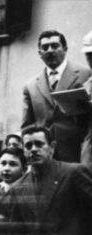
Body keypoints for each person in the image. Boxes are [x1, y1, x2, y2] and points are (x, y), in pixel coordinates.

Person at [22, 30, 92, 163]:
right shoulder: (30, 85)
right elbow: (27, 125)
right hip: (45, 155)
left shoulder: (86, 74)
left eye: (55, 46)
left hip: (77, 152)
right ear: (39, 53)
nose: (49, 50)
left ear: (65, 49)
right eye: (45, 47)